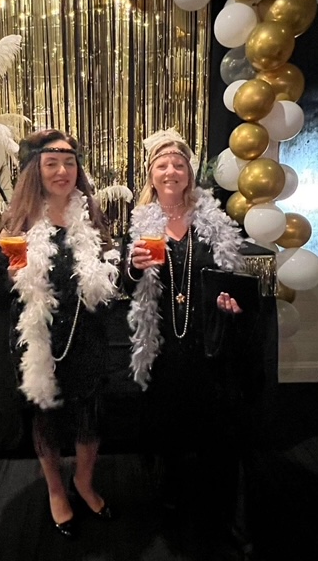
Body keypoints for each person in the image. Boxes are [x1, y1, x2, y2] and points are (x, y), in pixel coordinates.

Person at [0, 128, 119, 539]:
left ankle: (83, 481)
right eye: (51, 163)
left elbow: (110, 280)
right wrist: (9, 275)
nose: (62, 171)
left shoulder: (93, 218)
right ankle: (56, 490)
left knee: (89, 414)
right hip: (39, 338)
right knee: (45, 416)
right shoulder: (19, 223)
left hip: (87, 334)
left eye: (69, 163)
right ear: (36, 170)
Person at [123, 128, 251, 541]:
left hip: (206, 336)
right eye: (162, 164)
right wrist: (134, 268)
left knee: (214, 423)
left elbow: (231, 276)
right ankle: (173, 499)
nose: (171, 171)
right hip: (164, 340)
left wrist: (231, 302)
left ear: (189, 174)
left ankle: (218, 505)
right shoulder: (142, 224)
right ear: (151, 174)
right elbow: (128, 286)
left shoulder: (213, 221)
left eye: (178, 164)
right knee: (169, 423)